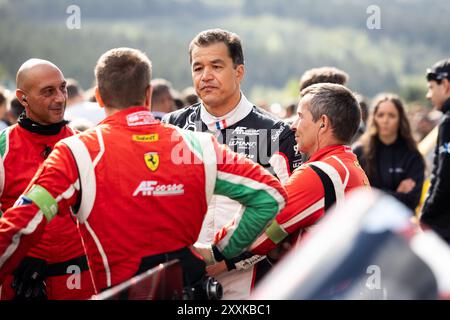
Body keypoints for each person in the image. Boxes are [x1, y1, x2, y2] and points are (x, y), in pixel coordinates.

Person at [0, 48, 287, 299]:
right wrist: (219, 250)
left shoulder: (78, 150)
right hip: (188, 290)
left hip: (115, 289)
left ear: (99, 97)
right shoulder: (197, 144)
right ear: (148, 94)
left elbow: (21, 224)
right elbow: (270, 196)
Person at [163, 29, 302, 299]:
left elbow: (286, 218)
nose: (205, 76)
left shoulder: (276, 134)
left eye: (216, 66)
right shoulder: (172, 127)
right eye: (198, 67)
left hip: (249, 282)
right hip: (181, 278)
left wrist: (228, 261)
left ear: (239, 72)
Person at [208, 83, 370, 264]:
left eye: (300, 116)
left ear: (323, 123)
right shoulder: (349, 164)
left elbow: (261, 226)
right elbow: (278, 228)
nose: (292, 125)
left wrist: (209, 255)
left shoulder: (317, 174)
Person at [0, 59, 93, 300]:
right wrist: (17, 256)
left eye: (62, 88)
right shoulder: (4, 146)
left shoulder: (84, 144)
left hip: (77, 277)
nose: (60, 98)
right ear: (23, 98)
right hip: (19, 281)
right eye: (48, 92)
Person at [353, 93, 425, 211]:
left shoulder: (412, 155)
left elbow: (412, 201)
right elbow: (354, 196)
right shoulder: (359, 151)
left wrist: (373, 193)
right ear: (374, 118)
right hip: (366, 222)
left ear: (400, 119)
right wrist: (396, 194)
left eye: (391, 115)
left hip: (399, 223)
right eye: (381, 115)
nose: (385, 120)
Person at [421, 59, 450, 243]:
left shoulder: (449, 122)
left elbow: (444, 175)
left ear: (445, 85)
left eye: (431, 87)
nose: (428, 95)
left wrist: (426, 216)